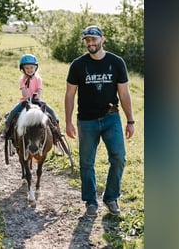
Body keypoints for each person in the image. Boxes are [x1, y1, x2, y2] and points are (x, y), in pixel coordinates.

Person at [64, 25, 135, 216]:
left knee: (119, 158)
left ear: (102, 39)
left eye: (94, 39)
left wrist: (130, 120)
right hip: (86, 121)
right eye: (87, 40)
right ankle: (90, 202)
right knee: (87, 163)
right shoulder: (78, 65)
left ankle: (111, 198)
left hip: (111, 118)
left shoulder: (116, 62)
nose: (91, 43)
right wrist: (68, 122)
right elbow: (70, 94)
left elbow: (124, 93)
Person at [2, 54, 61, 142]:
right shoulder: (22, 80)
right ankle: (7, 127)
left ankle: (57, 128)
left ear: (35, 68)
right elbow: (23, 90)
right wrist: (27, 96)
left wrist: (38, 95)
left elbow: (39, 89)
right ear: (23, 69)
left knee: (51, 111)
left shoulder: (38, 79)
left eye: (31, 68)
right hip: (25, 101)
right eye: (27, 68)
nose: (29, 70)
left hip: (37, 100)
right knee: (13, 112)